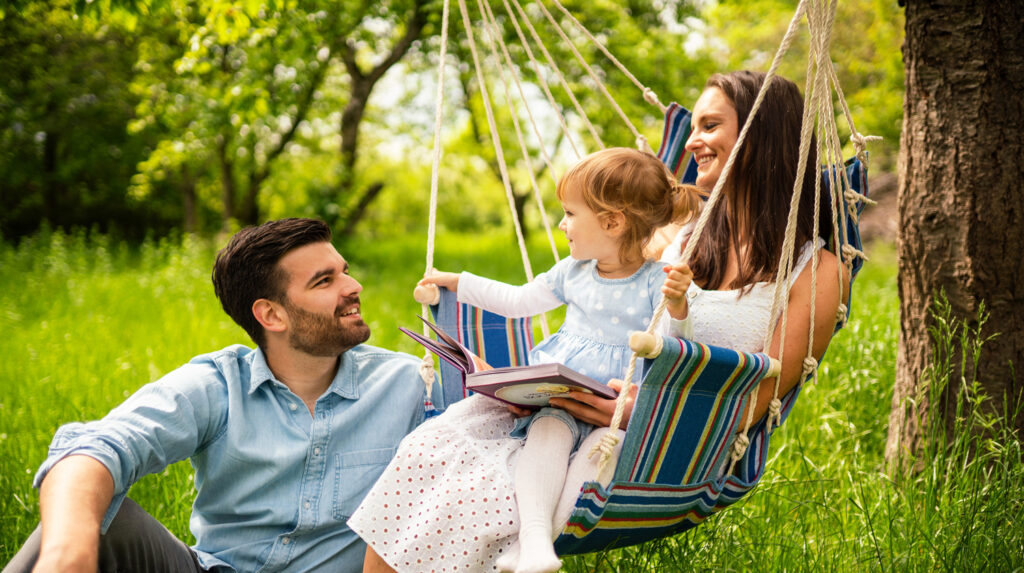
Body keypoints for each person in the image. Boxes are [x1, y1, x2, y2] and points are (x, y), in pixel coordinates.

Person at [354, 71, 848, 573]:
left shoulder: (816, 269)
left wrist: (642, 408)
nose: (693, 141)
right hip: (572, 412)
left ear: (759, 132)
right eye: (693, 126)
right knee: (432, 452)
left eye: (710, 125)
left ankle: (527, 546)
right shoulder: (679, 237)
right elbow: (608, 266)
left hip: (662, 447)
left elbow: (756, 402)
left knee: (472, 497)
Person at [3, 218, 436, 573]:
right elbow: (97, 448)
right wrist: (68, 553)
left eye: (345, 270)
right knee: (101, 522)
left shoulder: (411, 384)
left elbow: (498, 439)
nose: (353, 285)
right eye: (325, 281)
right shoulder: (219, 385)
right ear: (271, 314)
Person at [413, 147, 700, 573]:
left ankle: (533, 546)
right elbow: (517, 300)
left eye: (570, 213)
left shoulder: (656, 281)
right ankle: (532, 541)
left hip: (613, 410)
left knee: (603, 454)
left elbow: (676, 348)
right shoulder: (572, 271)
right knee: (547, 433)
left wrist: (678, 307)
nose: (562, 224)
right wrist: (460, 282)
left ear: (612, 222)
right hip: (560, 393)